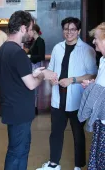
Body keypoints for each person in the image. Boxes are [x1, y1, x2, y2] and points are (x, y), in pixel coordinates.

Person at [0, 10, 57, 170]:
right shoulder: (18, 53)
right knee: (19, 152)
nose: (31, 33)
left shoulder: (3, 49)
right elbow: (31, 84)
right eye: (30, 29)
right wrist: (43, 74)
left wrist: (34, 74)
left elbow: (17, 77)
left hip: (11, 107)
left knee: (14, 151)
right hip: (20, 111)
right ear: (23, 28)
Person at [36, 17, 98, 170]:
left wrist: (73, 80)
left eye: (72, 29)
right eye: (66, 29)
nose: (68, 32)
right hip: (58, 98)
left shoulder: (87, 50)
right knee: (56, 132)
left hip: (77, 100)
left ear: (78, 31)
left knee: (78, 134)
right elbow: (51, 68)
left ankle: (78, 165)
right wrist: (50, 78)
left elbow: (93, 75)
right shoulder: (57, 48)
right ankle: (53, 164)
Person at [78, 22, 105, 170]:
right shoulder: (102, 60)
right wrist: (92, 85)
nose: (94, 41)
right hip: (100, 119)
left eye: (97, 38)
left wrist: (93, 88)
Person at [28, 24, 45, 115]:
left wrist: (29, 56)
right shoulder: (34, 41)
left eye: (30, 30)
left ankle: (34, 108)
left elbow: (41, 56)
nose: (28, 33)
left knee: (34, 88)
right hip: (33, 66)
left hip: (36, 66)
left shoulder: (40, 41)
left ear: (34, 31)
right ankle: (32, 107)